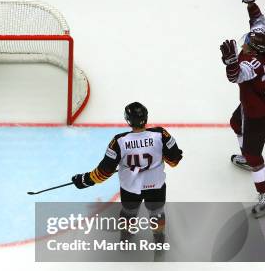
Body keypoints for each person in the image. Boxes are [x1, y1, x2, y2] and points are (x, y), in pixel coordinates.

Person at [71, 102, 183, 243]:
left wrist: (85, 179)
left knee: (128, 213)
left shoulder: (119, 141)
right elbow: (174, 160)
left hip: (130, 188)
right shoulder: (161, 134)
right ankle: (159, 239)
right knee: (157, 213)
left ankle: (126, 239)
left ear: (128, 120)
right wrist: (163, 155)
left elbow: (104, 171)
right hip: (156, 186)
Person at [220, 0, 265, 218]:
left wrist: (230, 62)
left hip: (257, 111)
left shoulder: (250, 64)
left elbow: (235, 77)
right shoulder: (263, 42)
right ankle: (248, 156)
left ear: (252, 51)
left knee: (255, 155)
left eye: (245, 46)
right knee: (236, 123)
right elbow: (258, 21)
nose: (243, 44)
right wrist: (251, 0)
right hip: (259, 101)